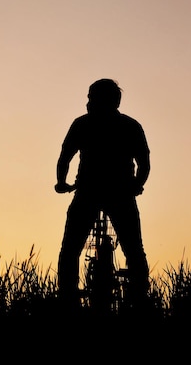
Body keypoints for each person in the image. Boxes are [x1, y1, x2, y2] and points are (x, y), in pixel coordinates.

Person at [54, 78, 151, 311]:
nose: (88, 101)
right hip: (121, 192)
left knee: (70, 249)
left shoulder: (82, 124)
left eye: (91, 97)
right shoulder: (130, 125)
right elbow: (144, 162)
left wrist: (62, 183)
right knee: (134, 249)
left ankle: (67, 300)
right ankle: (140, 300)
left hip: (88, 190)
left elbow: (65, 157)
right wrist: (138, 184)